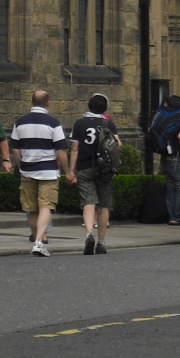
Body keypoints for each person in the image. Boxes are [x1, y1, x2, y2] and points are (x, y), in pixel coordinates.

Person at [10, 91, 75, 257]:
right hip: (48, 170)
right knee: (46, 206)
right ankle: (39, 242)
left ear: (31, 101)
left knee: (31, 209)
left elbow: (15, 149)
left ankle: (36, 238)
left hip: (28, 170)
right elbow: (60, 150)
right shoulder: (53, 123)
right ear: (48, 103)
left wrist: (20, 165)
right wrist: (67, 171)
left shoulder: (20, 122)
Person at [69, 93, 121, 255]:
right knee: (104, 205)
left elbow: (75, 149)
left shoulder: (79, 124)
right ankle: (101, 242)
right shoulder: (108, 124)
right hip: (104, 169)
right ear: (104, 108)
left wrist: (71, 170)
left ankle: (89, 234)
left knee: (88, 202)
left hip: (84, 167)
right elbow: (117, 144)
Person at [151, 95, 180, 226]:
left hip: (164, 153)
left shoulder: (163, 113)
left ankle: (172, 216)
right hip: (177, 154)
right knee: (179, 186)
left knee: (170, 186)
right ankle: (178, 217)